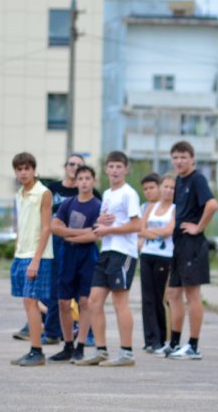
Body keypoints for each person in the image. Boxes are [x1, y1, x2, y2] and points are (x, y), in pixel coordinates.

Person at [75, 150, 142, 367]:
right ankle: (101, 350)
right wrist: (101, 222)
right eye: (111, 166)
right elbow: (104, 223)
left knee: (119, 301)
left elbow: (136, 225)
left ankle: (127, 353)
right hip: (106, 251)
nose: (114, 170)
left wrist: (110, 230)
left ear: (126, 169)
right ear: (106, 169)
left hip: (123, 252)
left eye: (118, 167)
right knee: (93, 301)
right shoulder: (106, 194)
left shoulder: (128, 194)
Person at [166, 141, 218, 360]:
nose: (179, 161)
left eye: (183, 157)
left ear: (192, 158)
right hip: (178, 244)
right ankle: (174, 343)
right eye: (176, 157)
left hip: (192, 244)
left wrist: (199, 227)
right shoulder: (179, 180)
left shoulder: (197, 179)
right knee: (173, 293)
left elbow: (212, 204)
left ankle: (193, 346)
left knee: (192, 294)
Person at [48, 165, 101, 363]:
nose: (85, 182)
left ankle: (80, 345)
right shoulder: (68, 203)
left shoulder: (98, 205)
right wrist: (80, 232)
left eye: (88, 178)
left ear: (93, 181)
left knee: (84, 301)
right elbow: (54, 227)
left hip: (87, 256)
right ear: (76, 181)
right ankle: (68, 345)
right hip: (66, 255)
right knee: (63, 302)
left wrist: (69, 234)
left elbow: (94, 236)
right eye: (81, 178)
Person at [9, 152, 53, 367]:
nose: (23, 172)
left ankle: (37, 350)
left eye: (27, 168)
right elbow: (21, 226)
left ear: (34, 170)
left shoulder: (43, 193)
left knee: (31, 301)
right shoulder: (19, 193)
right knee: (28, 302)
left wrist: (36, 259)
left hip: (38, 255)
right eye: (19, 169)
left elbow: (47, 228)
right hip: (21, 253)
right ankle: (35, 347)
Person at [137, 173, 175, 354]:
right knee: (147, 298)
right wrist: (154, 233)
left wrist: (152, 232)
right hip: (147, 254)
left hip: (165, 256)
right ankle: (150, 339)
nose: (168, 190)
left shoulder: (175, 209)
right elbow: (140, 229)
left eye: (172, 188)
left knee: (160, 298)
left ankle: (162, 338)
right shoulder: (150, 207)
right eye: (166, 186)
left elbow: (169, 231)